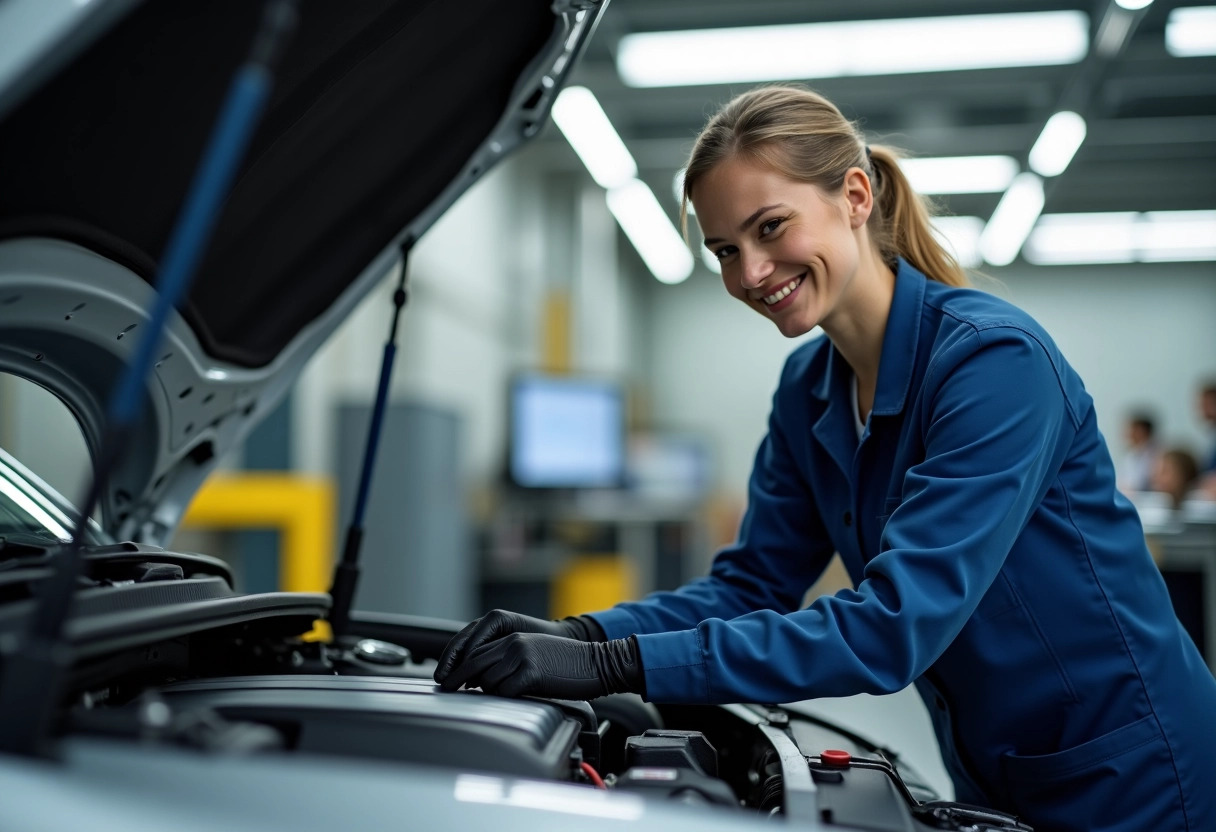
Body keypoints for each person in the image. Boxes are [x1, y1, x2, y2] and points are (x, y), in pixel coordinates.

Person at [436, 85, 1216, 831]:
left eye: (771, 228)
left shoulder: (994, 364)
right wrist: (580, 633)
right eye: (724, 249)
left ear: (854, 195)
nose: (748, 273)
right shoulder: (810, 387)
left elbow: (892, 628)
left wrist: (617, 665)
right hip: (995, 765)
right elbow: (752, 583)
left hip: (1138, 772)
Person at [1115, 410, 1159, 494]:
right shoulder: (1132, 454)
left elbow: (1140, 483)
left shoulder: (1156, 455)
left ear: (1141, 431)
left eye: (1132, 429)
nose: (1128, 433)